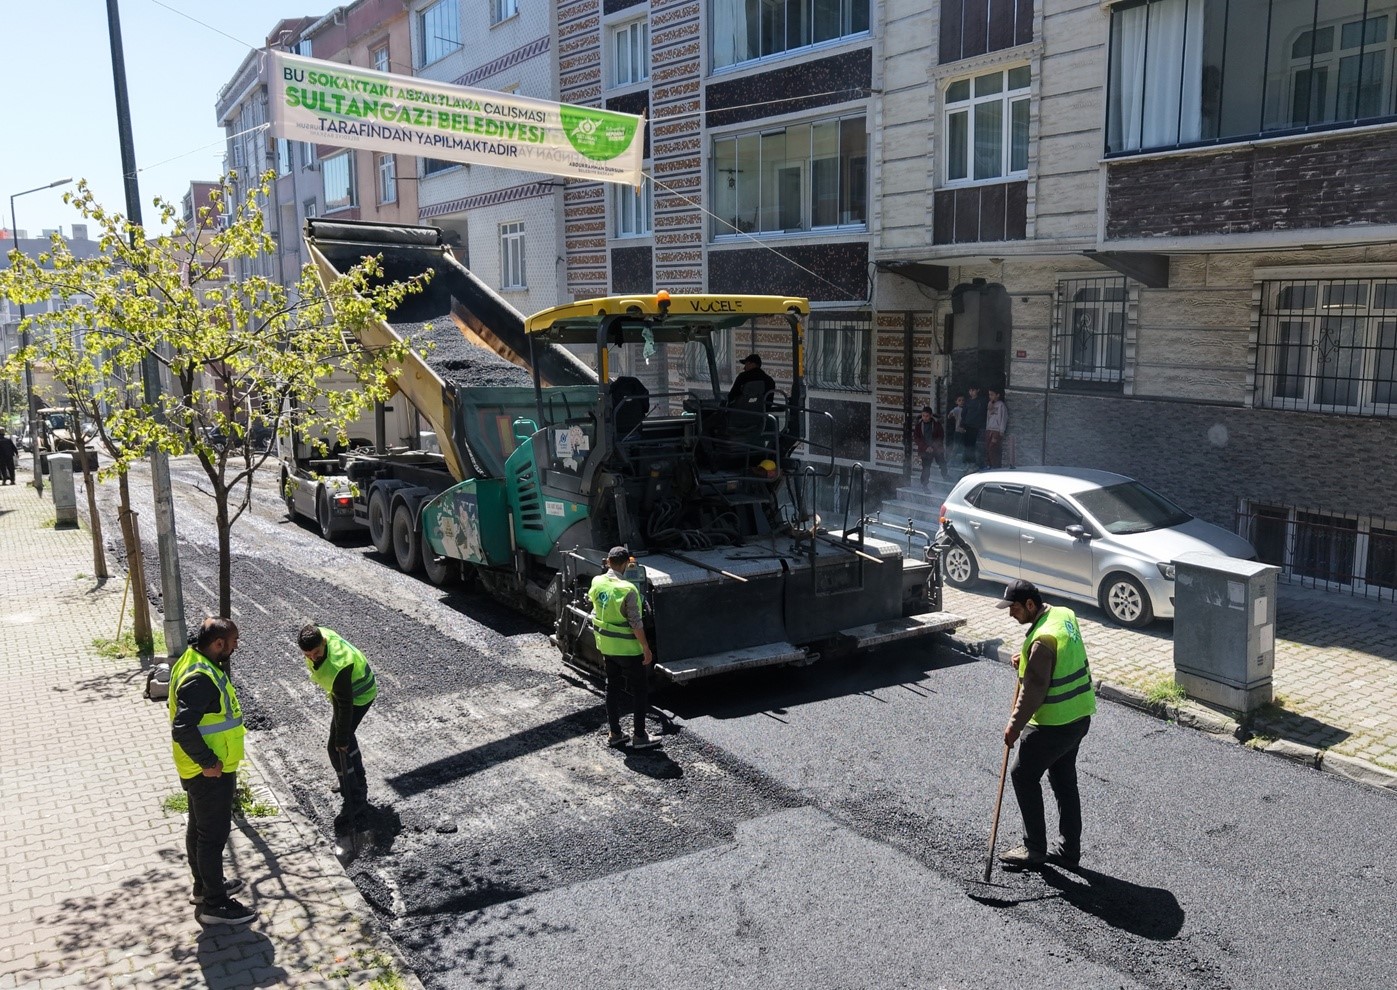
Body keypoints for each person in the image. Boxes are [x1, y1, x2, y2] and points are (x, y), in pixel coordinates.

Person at [996, 579, 1095, 871]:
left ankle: (1034, 848)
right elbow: (1057, 658)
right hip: (1080, 715)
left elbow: (1034, 692)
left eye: (1014, 608)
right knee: (1064, 781)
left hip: (1054, 723)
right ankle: (1069, 851)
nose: (1010, 614)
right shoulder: (1064, 615)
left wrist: (1014, 726)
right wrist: (1027, 659)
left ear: (1030, 605)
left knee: (1022, 775)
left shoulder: (1041, 641)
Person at [169, 617, 255, 925]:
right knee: (212, 837)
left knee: (199, 830)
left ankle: (205, 887)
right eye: (233, 642)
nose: (236, 647)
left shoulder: (191, 660)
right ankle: (215, 906)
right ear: (218, 643)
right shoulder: (201, 677)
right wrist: (209, 762)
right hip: (209, 772)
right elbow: (183, 728)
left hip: (200, 769)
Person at [298, 624, 378, 831]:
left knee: (336, 747)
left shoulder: (337, 667)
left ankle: (355, 800)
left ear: (323, 642)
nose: (313, 658)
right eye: (308, 655)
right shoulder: (319, 634)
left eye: (316, 653)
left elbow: (346, 706)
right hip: (346, 692)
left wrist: (341, 739)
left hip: (359, 696)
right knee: (345, 736)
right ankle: (354, 780)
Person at [590, 546, 660, 750]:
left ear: (608, 561)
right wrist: (646, 647)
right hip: (628, 650)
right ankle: (639, 736)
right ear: (627, 564)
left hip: (606, 646)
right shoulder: (628, 589)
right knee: (639, 690)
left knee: (612, 687)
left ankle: (615, 734)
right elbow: (636, 624)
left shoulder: (597, 581)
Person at [911, 406, 947, 486]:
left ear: (931, 415)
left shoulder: (936, 424)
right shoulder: (919, 425)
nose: (925, 418)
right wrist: (926, 447)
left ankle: (945, 475)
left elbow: (940, 436)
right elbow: (916, 438)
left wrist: (933, 447)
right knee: (926, 467)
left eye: (927, 416)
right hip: (925, 449)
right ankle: (924, 484)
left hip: (936, 449)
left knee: (942, 463)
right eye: (923, 416)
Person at [962, 385, 987, 466]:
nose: (971, 392)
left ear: (977, 390)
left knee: (974, 444)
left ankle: (973, 462)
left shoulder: (981, 402)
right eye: (970, 391)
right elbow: (963, 413)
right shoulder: (968, 401)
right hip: (967, 425)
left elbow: (982, 413)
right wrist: (963, 423)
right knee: (967, 444)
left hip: (976, 426)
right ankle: (966, 461)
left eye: (973, 390)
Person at [985, 388, 1008, 469]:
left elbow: (1003, 418)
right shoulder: (990, 404)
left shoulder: (1001, 405)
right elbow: (988, 417)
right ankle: (988, 465)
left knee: (993, 448)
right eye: (989, 395)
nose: (990, 396)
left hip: (996, 430)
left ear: (997, 395)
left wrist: (1001, 430)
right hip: (989, 429)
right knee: (987, 448)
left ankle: (995, 466)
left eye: (992, 395)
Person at [945, 395, 966, 466]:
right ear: (956, 402)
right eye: (959, 400)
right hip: (958, 430)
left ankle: (963, 462)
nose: (961, 402)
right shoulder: (956, 409)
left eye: (963, 400)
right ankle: (951, 461)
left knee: (965, 447)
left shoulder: (967, 408)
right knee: (956, 447)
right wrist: (950, 414)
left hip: (966, 431)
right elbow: (950, 415)